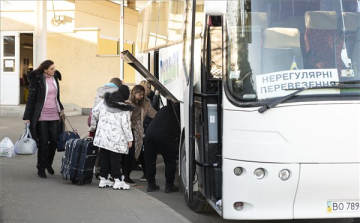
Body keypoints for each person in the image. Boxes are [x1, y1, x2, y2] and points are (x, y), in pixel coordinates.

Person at [23, 60, 64, 178]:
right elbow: (31, 98)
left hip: (54, 114)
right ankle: (40, 167)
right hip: (41, 114)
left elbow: (57, 96)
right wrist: (27, 117)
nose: (54, 70)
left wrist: (60, 108)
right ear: (45, 70)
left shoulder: (55, 78)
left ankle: (48, 163)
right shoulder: (38, 80)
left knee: (54, 141)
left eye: (54, 68)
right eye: (52, 68)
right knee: (44, 142)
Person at [90, 85, 135, 190]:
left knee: (104, 157)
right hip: (116, 138)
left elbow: (95, 112)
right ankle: (118, 180)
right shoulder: (124, 109)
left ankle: (103, 178)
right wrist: (130, 139)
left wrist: (101, 121)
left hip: (103, 136)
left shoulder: (105, 102)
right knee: (115, 159)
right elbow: (126, 126)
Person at [89, 77, 122, 178]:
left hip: (100, 125)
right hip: (111, 127)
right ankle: (111, 174)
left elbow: (94, 111)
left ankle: (98, 171)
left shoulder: (99, 92)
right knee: (111, 152)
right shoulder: (117, 94)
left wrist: (92, 129)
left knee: (101, 150)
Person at [144, 102, 180, 193]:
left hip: (149, 133)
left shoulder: (165, 108)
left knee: (150, 160)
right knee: (169, 161)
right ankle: (169, 186)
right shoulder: (179, 113)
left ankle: (151, 185)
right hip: (164, 136)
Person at [125, 85, 157, 185]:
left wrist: (161, 118)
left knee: (138, 152)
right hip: (126, 130)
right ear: (134, 93)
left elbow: (153, 113)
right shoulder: (126, 102)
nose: (142, 97)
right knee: (128, 153)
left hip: (137, 130)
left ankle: (129, 175)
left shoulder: (145, 102)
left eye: (143, 95)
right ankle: (124, 175)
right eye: (140, 95)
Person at [137, 80, 160, 181]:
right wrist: (156, 96)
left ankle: (146, 173)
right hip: (146, 126)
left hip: (143, 126)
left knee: (144, 151)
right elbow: (153, 109)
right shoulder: (148, 99)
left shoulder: (140, 100)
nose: (150, 88)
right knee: (146, 151)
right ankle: (148, 174)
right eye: (148, 86)